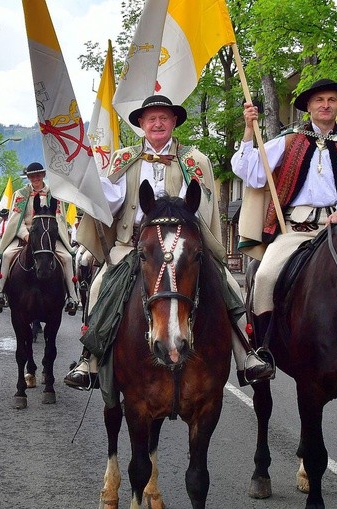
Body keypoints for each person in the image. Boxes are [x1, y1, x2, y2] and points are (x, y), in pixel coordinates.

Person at [64, 95, 274, 390]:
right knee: (100, 285)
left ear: (174, 122)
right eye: (151, 119)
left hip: (181, 244)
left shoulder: (194, 159)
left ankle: (246, 355)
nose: (158, 123)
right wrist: (91, 193)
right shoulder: (124, 159)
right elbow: (110, 203)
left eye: (164, 118)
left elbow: (199, 206)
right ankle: (90, 360)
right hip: (136, 245)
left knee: (226, 282)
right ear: (141, 124)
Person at [231, 78, 337, 342]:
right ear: (308, 107)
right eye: (319, 100)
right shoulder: (288, 141)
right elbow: (251, 173)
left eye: (332, 100)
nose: (326, 105)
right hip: (295, 230)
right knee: (264, 276)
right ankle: (261, 348)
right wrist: (249, 131)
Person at [0, 162, 78, 314]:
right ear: (28, 177)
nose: (35, 178)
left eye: (38, 175)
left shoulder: (54, 194)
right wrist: (25, 235)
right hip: (25, 236)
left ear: (43, 175)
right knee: (6, 255)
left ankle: (72, 296)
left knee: (67, 258)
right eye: (32, 175)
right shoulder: (21, 194)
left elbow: (59, 218)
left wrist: (51, 235)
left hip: (49, 238)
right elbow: (16, 219)